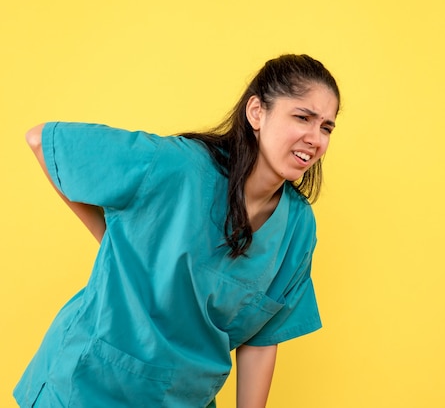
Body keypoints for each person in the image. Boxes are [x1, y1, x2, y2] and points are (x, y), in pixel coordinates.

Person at [14, 54, 340, 408]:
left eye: (325, 127)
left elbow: (262, 338)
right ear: (256, 113)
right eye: (302, 117)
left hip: (183, 398)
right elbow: (41, 140)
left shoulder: (297, 227)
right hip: (89, 383)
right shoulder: (181, 167)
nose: (315, 138)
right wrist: (114, 239)